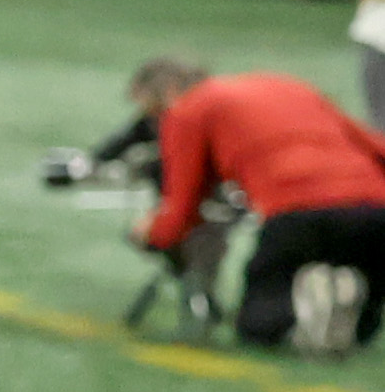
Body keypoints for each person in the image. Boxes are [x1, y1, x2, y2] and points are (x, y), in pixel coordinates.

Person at [129, 53, 385, 357]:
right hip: (374, 209)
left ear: (169, 92)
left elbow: (182, 205)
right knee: (365, 321)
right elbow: (373, 145)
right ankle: (345, 298)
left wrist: (150, 233)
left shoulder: (188, 110)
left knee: (258, 327)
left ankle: (309, 309)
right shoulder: (288, 86)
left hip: (296, 213)